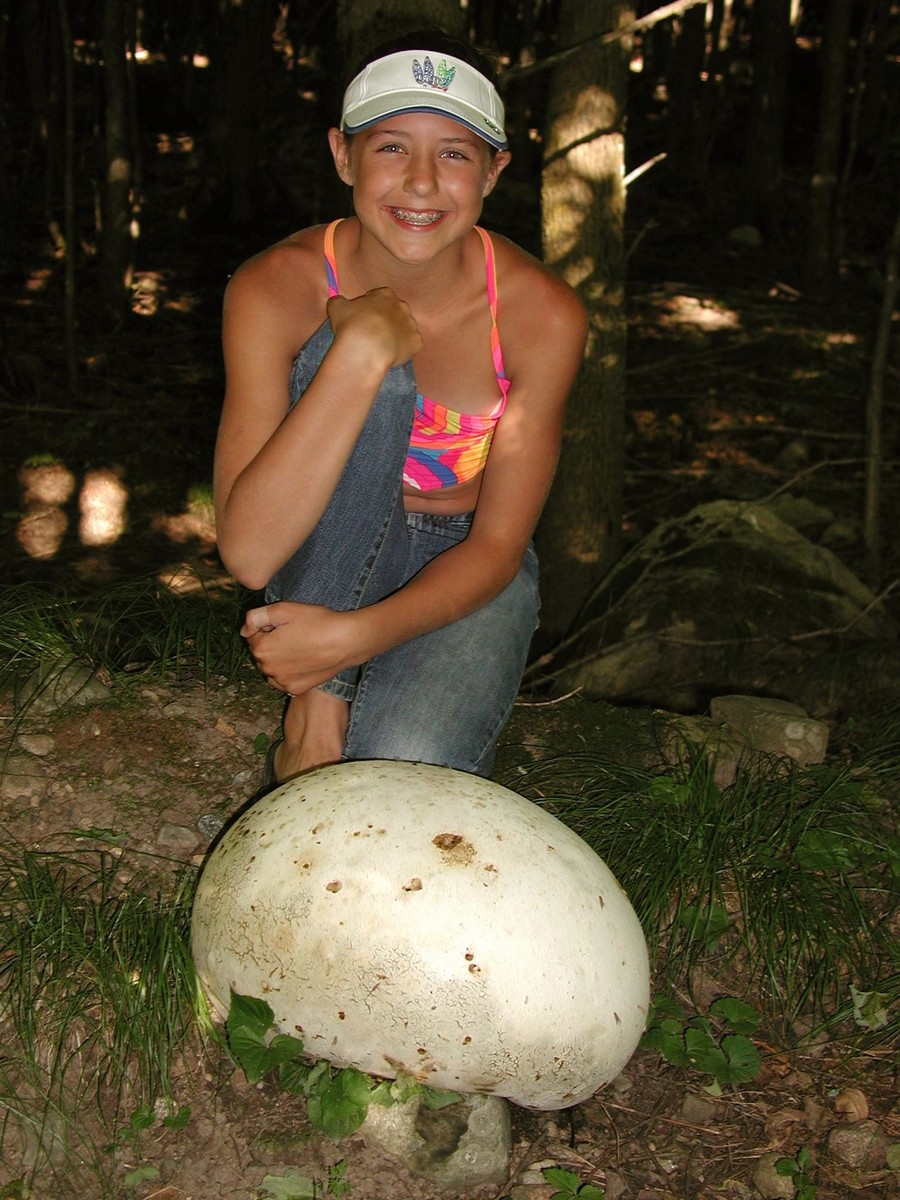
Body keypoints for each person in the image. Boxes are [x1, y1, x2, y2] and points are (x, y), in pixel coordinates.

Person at [213, 30, 587, 785]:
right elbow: (250, 552)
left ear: (495, 170)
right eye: (390, 147)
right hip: (320, 540)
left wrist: (351, 640)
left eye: (453, 152)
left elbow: (497, 550)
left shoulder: (540, 314)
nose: (420, 183)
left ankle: (341, 688)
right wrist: (357, 355)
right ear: (342, 155)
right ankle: (315, 716)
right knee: (365, 371)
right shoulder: (274, 287)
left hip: (464, 557)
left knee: (409, 771)